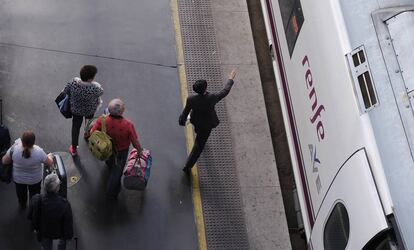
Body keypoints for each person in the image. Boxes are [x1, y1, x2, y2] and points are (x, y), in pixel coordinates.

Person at [179, 69, 237, 174]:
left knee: (198, 131)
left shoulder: (191, 99)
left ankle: (188, 165)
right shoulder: (211, 98)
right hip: (207, 124)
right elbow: (225, 91)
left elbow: (185, 112)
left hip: (196, 120)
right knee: (198, 146)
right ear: (205, 88)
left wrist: (182, 121)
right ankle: (188, 166)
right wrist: (230, 79)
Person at [91, 98, 143, 199]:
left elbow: (93, 132)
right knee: (117, 172)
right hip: (121, 151)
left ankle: (109, 163)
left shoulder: (102, 120)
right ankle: (111, 192)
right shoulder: (128, 125)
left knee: (110, 161)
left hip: (106, 149)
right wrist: (139, 151)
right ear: (121, 111)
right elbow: (134, 141)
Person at [2, 131, 53, 209]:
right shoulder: (39, 151)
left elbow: (4, 161)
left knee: (21, 194)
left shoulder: (14, 149)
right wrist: (50, 156)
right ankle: (33, 208)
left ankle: (22, 205)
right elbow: (49, 163)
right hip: (35, 180)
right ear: (33, 142)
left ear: (22, 141)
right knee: (34, 195)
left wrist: (13, 146)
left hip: (18, 179)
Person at [64, 65, 104, 156]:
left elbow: (65, 91)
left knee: (75, 127)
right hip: (90, 109)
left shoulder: (73, 83)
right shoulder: (95, 87)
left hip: (76, 110)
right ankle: (87, 133)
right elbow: (101, 92)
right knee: (89, 122)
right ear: (91, 78)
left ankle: (74, 148)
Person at [28, 173, 73, 250]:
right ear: (57, 188)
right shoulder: (64, 204)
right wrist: (68, 236)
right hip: (58, 232)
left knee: (46, 246)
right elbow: (67, 223)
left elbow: (30, 215)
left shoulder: (36, 199)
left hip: (43, 231)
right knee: (62, 243)